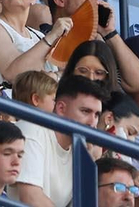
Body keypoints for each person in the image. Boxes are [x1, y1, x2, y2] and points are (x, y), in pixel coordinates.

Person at [16, 74, 108, 207]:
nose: (92, 122)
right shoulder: (32, 130)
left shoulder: (82, 150)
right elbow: (30, 197)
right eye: (85, 111)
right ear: (61, 109)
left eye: (96, 115)